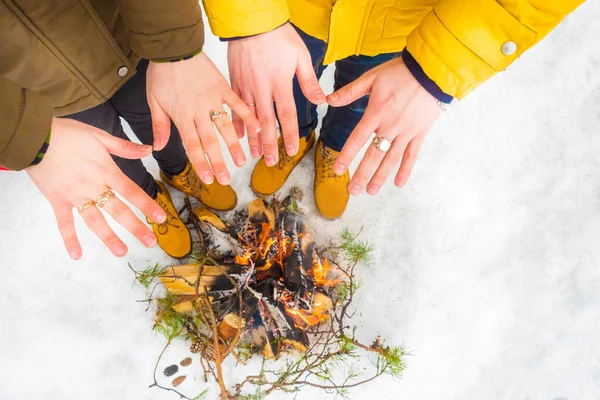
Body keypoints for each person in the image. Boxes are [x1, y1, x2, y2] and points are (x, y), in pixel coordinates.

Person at [203, 0, 586, 219]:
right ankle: (298, 139)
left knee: (364, 102)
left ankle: (333, 151)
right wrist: (248, 16)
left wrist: (437, 67)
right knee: (291, 88)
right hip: (294, 10)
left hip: (401, 17)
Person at [0, 1, 259, 259]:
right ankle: (150, 197)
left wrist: (172, 43)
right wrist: (21, 133)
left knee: (156, 120)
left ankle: (178, 172)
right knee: (112, 153)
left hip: (122, 41)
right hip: (48, 91)